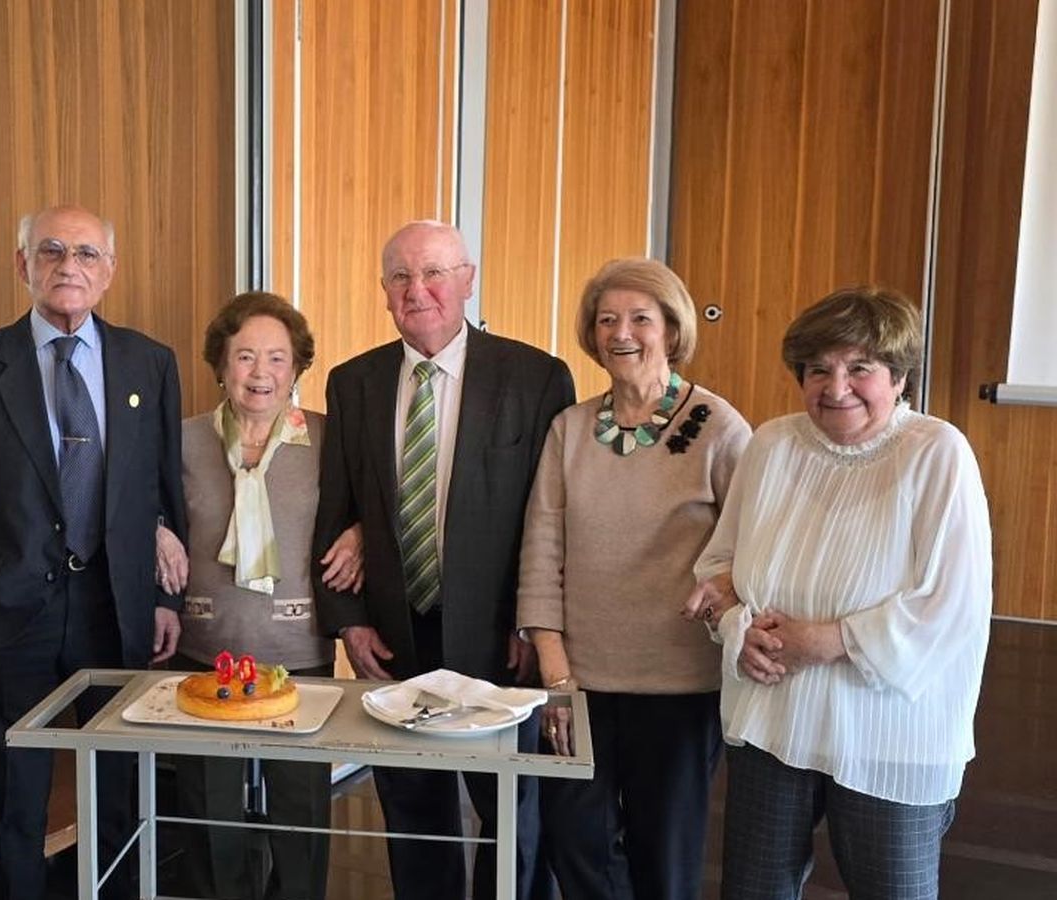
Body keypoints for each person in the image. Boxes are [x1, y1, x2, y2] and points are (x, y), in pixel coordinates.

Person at [682, 287, 992, 900]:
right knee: (753, 889)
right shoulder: (772, 444)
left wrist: (827, 640)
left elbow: (951, 604)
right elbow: (718, 565)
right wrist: (738, 629)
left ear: (899, 378)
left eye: (860, 368)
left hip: (888, 728)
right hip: (776, 715)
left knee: (892, 889)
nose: (836, 385)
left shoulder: (936, 452)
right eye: (818, 368)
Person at [0, 204, 187, 900]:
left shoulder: (150, 362)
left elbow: (163, 492)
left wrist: (163, 598)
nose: (69, 266)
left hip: (117, 610)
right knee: (16, 795)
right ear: (23, 266)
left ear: (109, 271)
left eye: (87, 254)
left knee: (120, 785)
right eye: (50, 251)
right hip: (10, 615)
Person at [312, 220, 575, 900]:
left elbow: (549, 517)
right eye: (400, 277)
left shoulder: (537, 376)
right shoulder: (354, 382)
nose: (417, 290)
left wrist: (532, 625)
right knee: (413, 812)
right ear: (384, 292)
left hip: (499, 638)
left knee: (513, 810)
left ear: (467, 279)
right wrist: (348, 621)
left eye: (433, 273)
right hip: (397, 635)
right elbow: (337, 507)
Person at [516, 258, 750, 899]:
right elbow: (541, 549)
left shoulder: (718, 428)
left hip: (678, 687)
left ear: (671, 331)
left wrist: (727, 587)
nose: (622, 332)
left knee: (662, 857)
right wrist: (556, 675)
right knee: (575, 844)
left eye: (640, 318)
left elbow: (755, 546)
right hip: (583, 682)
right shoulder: (569, 429)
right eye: (607, 319)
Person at [152, 292, 362, 899]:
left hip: (298, 653)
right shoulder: (181, 440)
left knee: (301, 825)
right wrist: (154, 529)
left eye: (277, 357)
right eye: (245, 356)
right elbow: (141, 505)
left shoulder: (329, 440)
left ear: (297, 367)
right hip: (203, 653)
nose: (261, 373)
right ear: (220, 364)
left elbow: (371, 504)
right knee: (209, 820)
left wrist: (363, 532)